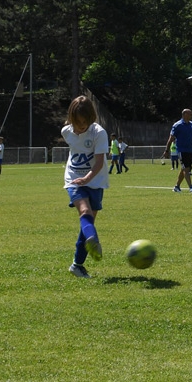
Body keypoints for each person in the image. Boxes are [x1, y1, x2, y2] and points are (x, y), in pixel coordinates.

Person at [63, 95, 109, 279]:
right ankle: (93, 239)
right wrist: (80, 179)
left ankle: (77, 265)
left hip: (96, 180)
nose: (80, 126)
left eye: (84, 122)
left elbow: (99, 162)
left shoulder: (99, 133)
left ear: (91, 118)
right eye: (77, 122)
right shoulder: (66, 131)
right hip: (74, 179)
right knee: (84, 212)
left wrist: (88, 177)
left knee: (88, 222)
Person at [168, 108, 192, 193]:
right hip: (181, 150)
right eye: (190, 114)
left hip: (189, 150)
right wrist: (166, 150)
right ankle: (191, 187)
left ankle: (177, 186)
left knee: (185, 169)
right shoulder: (177, 125)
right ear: (184, 115)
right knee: (186, 169)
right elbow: (171, 138)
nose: (191, 115)